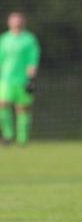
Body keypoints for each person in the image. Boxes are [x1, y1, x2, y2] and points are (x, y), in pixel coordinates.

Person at [0, 12, 41, 146]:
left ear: (23, 22)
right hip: (6, 79)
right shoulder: (4, 39)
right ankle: (8, 135)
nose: (16, 23)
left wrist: (31, 78)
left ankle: (22, 139)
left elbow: (32, 60)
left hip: (22, 79)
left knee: (22, 108)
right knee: (2, 105)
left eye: (19, 21)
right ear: (9, 22)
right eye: (14, 20)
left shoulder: (29, 39)